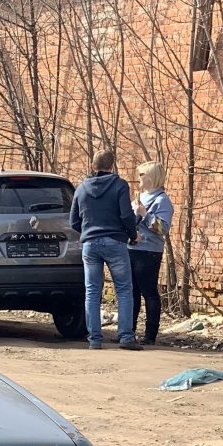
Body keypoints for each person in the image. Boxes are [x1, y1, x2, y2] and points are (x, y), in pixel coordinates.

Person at [69, 148, 139, 350]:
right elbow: (126, 215)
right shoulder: (119, 185)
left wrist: (87, 231)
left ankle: (95, 339)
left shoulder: (81, 188)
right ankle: (126, 337)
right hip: (115, 243)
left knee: (92, 291)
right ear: (112, 166)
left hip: (90, 244)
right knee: (124, 290)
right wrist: (132, 235)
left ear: (93, 165)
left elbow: (74, 220)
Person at [130, 161, 174, 346]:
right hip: (131, 248)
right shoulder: (139, 197)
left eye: (142, 175)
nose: (138, 178)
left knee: (148, 292)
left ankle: (150, 334)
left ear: (151, 177)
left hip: (149, 251)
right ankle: (127, 331)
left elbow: (162, 228)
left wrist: (144, 214)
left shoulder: (162, 200)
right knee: (131, 292)